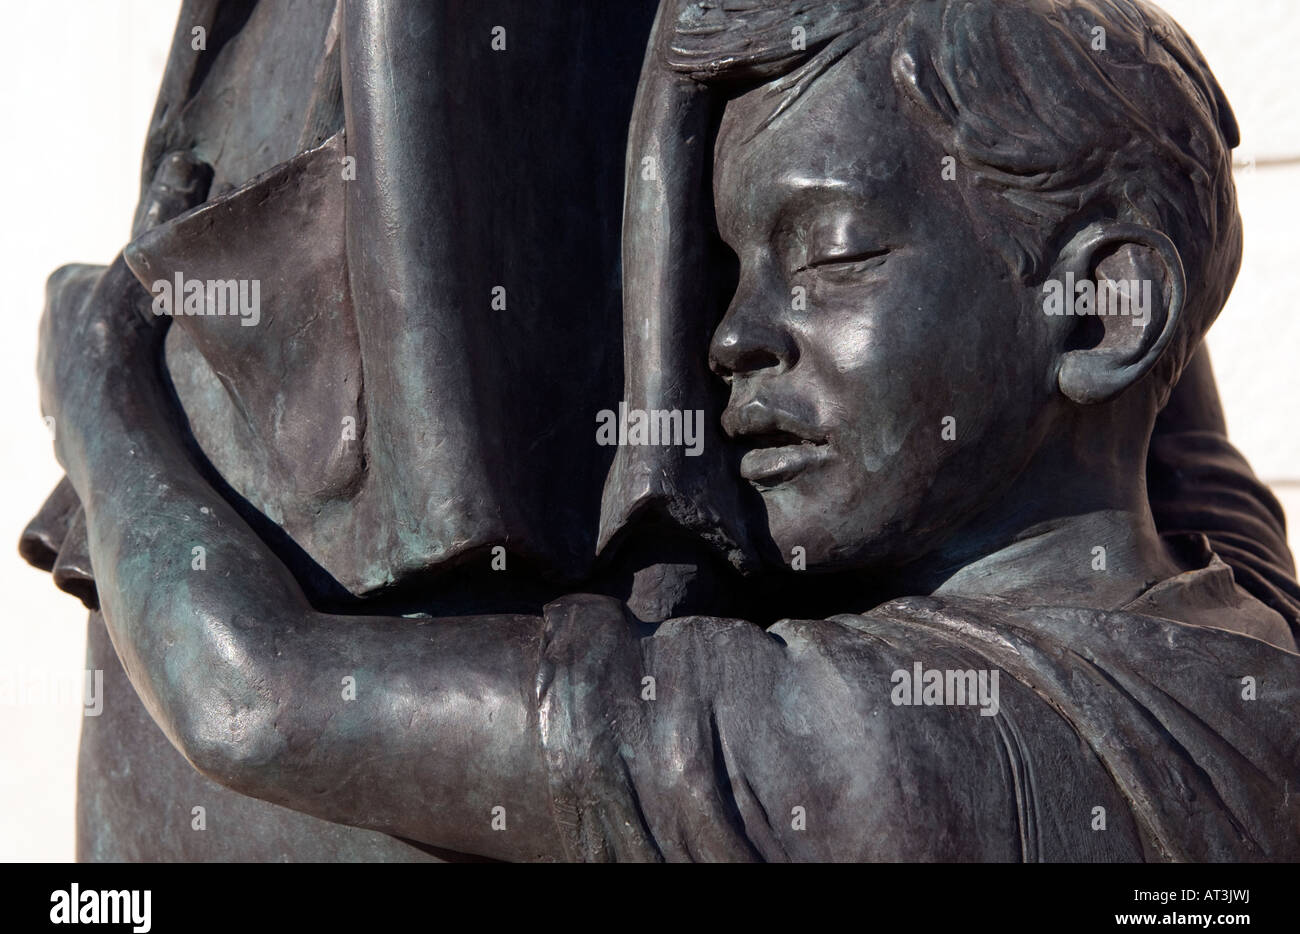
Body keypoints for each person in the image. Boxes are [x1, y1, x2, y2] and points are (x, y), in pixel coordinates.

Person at [31, 0, 1300, 861]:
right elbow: (1168, 410)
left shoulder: (882, 749)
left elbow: (255, 701)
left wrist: (98, 390)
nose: (730, 338)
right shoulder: (1253, 642)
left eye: (829, 254)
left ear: (1102, 317)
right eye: (726, 269)